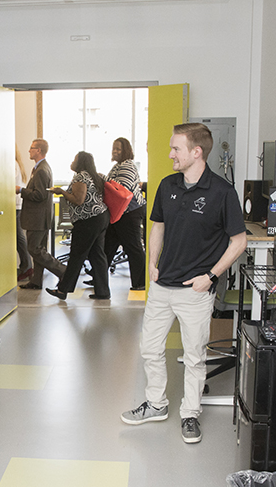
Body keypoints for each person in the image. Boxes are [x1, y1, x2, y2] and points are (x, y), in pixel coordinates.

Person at [121, 122, 247, 444]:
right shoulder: (167, 185)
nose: (170, 154)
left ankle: (190, 413)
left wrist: (211, 276)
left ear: (196, 152)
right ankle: (156, 404)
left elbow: (239, 242)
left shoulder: (222, 192)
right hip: (163, 287)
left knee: (194, 356)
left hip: (195, 291)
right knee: (150, 348)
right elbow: (158, 226)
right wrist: (152, 261)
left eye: (175, 148)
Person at [46, 151, 110, 300]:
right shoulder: (94, 176)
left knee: (77, 255)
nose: (72, 161)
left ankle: (63, 290)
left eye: (75, 159)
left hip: (88, 221)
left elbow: (78, 200)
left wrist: (61, 191)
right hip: (100, 217)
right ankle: (103, 291)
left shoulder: (80, 177)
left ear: (80, 162)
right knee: (97, 255)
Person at [17, 139, 65, 289]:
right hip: (39, 217)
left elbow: (40, 195)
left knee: (35, 249)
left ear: (38, 150)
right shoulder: (40, 168)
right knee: (39, 249)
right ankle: (36, 281)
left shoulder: (42, 170)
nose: (29, 151)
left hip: (37, 218)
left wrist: (21, 190)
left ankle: (63, 271)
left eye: (32, 148)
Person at [102, 137, 148, 291]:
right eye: (114, 148)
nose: (115, 151)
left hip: (129, 212)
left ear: (126, 151)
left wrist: (103, 179)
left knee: (133, 247)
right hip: (119, 213)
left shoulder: (127, 165)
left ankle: (140, 282)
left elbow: (121, 188)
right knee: (108, 247)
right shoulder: (118, 166)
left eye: (118, 149)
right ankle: (99, 278)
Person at [13, 149, 32, 283]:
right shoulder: (17, 164)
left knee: (18, 237)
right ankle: (26, 266)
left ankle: (26, 266)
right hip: (16, 204)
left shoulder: (13, 164)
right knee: (18, 236)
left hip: (14, 204)